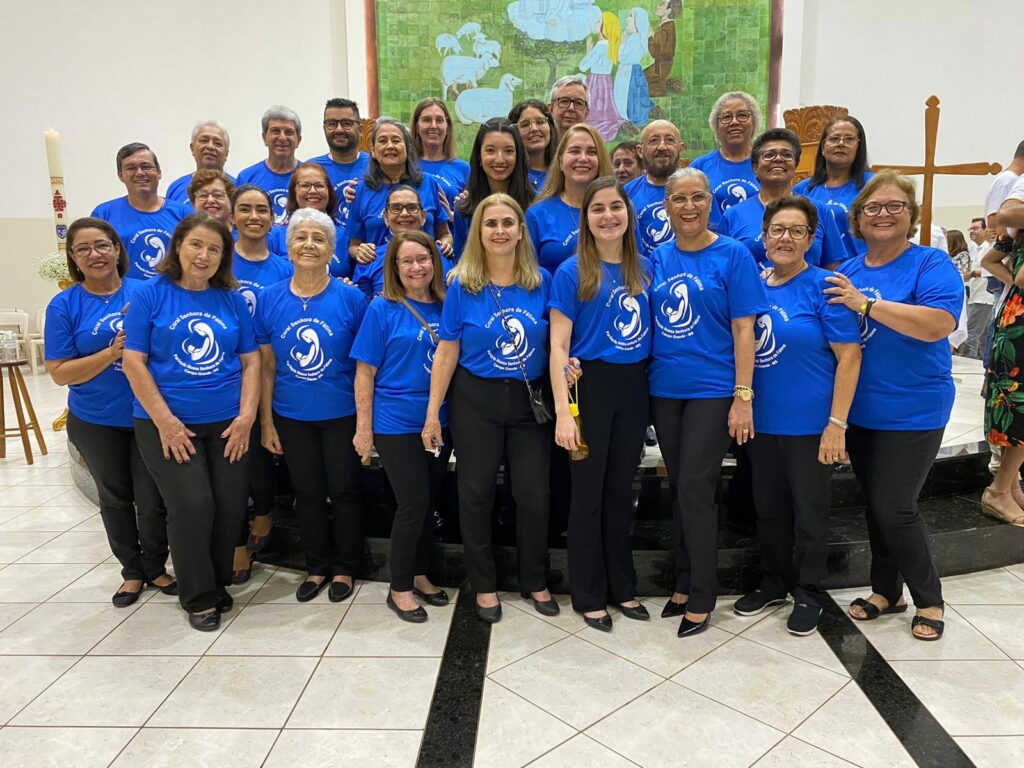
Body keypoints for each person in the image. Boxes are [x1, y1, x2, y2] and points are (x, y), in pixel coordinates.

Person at [825, 171, 962, 641]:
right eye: (872, 208)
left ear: (911, 215)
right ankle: (886, 591)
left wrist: (866, 306)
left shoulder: (929, 263)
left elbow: (937, 324)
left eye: (894, 206)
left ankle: (930, 599)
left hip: (915, 407)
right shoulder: (848, 270)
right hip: (863, 410)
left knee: (895, 506)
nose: (882, 214)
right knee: (876, 504)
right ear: (858, 219)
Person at [122, 213, 260, 632]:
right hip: (166, 423)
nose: (204, 255)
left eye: (215, 249)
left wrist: (246, 417)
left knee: (230, 507)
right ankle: (197, 596)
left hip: (227, 424)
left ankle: (216, 584)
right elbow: (133, 362)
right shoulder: (150, 295)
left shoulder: (232, 298)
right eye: (196, 245)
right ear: (178, 246)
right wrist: (165, 421)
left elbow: (251, 361)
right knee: (192, 506)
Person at [423, 193, 557, 623]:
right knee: (475, 493)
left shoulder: (543, 280)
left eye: (507, 222)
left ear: (521, 230)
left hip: (528, 401)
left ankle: (533, 579)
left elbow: (558, 344)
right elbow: (446, 351)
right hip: (474, 400)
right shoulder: (462, 284)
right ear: (478, 232)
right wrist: (432, 413)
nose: (499, 230)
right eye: (490, 223)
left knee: (533, 494)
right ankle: (483, 584)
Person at [648, 167, 768, 637]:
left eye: (698, 197)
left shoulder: (733, 254)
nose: (689, 206)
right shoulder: (658, 257)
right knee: (680, 484)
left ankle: (703, 592)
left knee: (697, 485)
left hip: (713, 389)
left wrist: (743, 395)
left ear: (711, 203)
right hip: (665, 387)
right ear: (667, 207)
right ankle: (681, 580)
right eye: (679, 199)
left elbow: (745, 330)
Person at [736, 197, 861, 636]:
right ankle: (772, 581)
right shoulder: (752, 283)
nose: (785, 238)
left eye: (796, 231)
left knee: (809, 513)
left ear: (811, 238)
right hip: (760, 422)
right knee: (769, 510)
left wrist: (837, 424)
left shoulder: (825, 285)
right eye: (777, 229)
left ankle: (808, 590)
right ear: (764, 235)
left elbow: (849, 358)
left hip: (810, 426)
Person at [45, 218, 175, 607]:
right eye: (83, 249)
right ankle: (132, 572)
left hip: (147, 415)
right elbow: (59, 372)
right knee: (115, 497)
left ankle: (155, 565)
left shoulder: (147, 291)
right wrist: (110, 354)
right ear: (73, 258)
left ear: (117, 249)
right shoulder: (65, 304)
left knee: (152, 498)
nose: (94, 255)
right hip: (96, 419)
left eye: (101, 245)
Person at [549, 177, 651, 631]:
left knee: (619, 494)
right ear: (585, 219)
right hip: (589, 387)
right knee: (587, 496)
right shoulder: (572, 271)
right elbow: (558, 347)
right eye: (598, 210)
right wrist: (563, 412)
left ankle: (622, 587)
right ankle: (588, 593)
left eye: (616, 207)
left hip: (634, 389)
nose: (608, 216)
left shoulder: (644, 268)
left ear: (628, 215)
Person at [255, 208, 368, 603]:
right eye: (301, 238)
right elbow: (267, 367)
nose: (309, 245)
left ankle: (345, 568)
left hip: (342, 415)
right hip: (291, 415)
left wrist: (364, 424)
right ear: (288, 248)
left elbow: (364, 367)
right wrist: (267, 423)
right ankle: (317, 566)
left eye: (319, 239)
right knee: (307, 493)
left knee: (345, 491)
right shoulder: (269, 299)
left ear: (332, 250)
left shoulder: (353, 299)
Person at [351, 230, 452, 622]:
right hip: (396, 423)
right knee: (412, 504)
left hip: (439, 422)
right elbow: (365, 373)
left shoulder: (446, 306)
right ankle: (400, 587)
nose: (416, 267)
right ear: (394, 267)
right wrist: (364, 428)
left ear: (434, 262)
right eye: (406, 261)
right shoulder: (383, 308)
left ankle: (421, 572)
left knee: (428, 503)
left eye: (423, 259)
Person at [229, 185, 293, 581]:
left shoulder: (285, 269)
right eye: (245, 209)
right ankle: (236, 543)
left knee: (258, 459)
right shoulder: (220, 265)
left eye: (262, 210)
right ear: (232, 216)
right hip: (226, 377)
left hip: (270, 376)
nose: (254, 216)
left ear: (273, 219)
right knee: (233, 467)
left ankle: (266, 511)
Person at [720, 128, 846, 271]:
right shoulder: (732, 216)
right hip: (752, 292)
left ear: (795, 165)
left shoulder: (820, 211)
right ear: (755, 168)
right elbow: (723, 269)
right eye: (769, 155)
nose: (778, 159)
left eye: (787, 155)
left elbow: (833, 270)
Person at [346, 118, 453, 268]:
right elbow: (353, 245)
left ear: (408, 148)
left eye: (396, 141)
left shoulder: (428, 183)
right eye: (382, 141)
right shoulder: (360, 190)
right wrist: (359, 251)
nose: (390, 146)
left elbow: (445, 234)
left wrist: (446, 244)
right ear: (373, 150)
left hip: (424, 271)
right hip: (380, 273)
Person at [91, 142, 188, 281]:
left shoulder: (183, 213)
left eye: (146, 166)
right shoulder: (104, 214)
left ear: (159, 172)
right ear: (120, 175)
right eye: (131, 168)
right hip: (123, 298)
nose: (140, 173)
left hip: (172, 297)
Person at [526, 124, 613, 274]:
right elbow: (526, 276)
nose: (583, 158)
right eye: (574, 151)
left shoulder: (620, 210)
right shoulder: (536, 215)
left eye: (592, 152)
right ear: (560, 161)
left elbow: (636, 265)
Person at [352, 185, 453, 300]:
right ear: (386, 217)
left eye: (412, 207)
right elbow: (363, 310)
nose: (404, 213)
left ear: (423, 216)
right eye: (396, 208)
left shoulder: (443, 255)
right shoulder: (369, 259)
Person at [452, 118, 535, 258]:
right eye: (490, 150)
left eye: (508, 151)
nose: (500, 159)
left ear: (518, 156)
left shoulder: (536, 206)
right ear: (479, 155)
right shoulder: (464, 210)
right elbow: (461, 264)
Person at [793, 116, 874, 258]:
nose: (841, 144)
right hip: (813, 273)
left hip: (857, 271)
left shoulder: (873, 185)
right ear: (823, 147)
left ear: (858, 147)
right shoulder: (802, 189)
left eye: (849, 139)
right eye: (834, 138)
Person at [626, 120, 700, 258]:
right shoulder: (625, 195)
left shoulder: (699, 192)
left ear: (680, 148)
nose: (662, 147)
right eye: (653, 141)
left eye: (670, 140)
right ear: (640, 151)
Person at [267, 162, 350, 277]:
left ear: (329, 192)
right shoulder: (276, 236)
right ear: (293, 192)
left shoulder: (345, 236)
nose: (312, 191)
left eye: (319, 185)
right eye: (305, 185)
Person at [690, 91, 760, 217]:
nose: (734, 122)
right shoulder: (699, 167)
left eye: (742, 115)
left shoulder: (766, 162)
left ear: (754, 123)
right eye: (726, 117)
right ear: (716, 126)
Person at [235, 106, 303, 224]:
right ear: (264, 137)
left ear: (298, 140)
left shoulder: (309, 176)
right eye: (275, 131)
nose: (282, 137)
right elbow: (236, 222)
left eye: (289, 132)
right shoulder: (246, 177)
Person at [309, 98, 370, 223]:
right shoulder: (311, 169)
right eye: (332, 124)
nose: (339, 130)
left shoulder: (376, 165)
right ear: (324, 128)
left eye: (346, 123)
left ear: (360, 129)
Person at [577, 12, 627, 141]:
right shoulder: (612, 45)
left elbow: (583, 65)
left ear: (605, 27)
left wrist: (588, 50)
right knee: (604, 104)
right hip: (607, 79)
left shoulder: (600, 46)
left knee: (595, 104)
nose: (595, 24)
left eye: (598, 22)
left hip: (595, 80)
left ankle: (596, 127)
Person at [413, 98, 471, 197]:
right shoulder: (406, 167)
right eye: (426, 120)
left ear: (447, 127)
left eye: (439, 120)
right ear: (417, 126)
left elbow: (471, 210)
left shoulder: (464, 169)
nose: (433, 126)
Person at [166, 121, 233, 205]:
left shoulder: (237, 187)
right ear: (192, 148)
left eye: (217, 143)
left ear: (226, 154)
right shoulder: (176, 188)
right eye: (204, 140)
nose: (210, 146)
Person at [614, 8, 656, 124]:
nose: (627, 19)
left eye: (631, 16)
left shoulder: (635, 39)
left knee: (630, 95)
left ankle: (630, 115)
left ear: (638, 21)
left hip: (630, 72)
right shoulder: (634, 38)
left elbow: (621, 57)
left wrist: (622, 43)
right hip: (629, 70)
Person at [963, 217, 994, 360]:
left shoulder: (990, 248)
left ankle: (969, 367)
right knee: (982, 336)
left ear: (985, 229)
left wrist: (973, 274)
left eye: (976, 228)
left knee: (972, 335)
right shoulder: (973, 248)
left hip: (984, 296)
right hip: (974, 295)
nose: (972, 232)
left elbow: (992, 270)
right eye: (971, 229)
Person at [509, 99, 556, 190]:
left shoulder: (563, 172)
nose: (534, 129)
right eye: (525, 124)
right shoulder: (506, 173)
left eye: (540, 121)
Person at [644, 0, 682, 97]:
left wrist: (649, 36)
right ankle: (666, 83)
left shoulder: (665, 29)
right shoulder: (666, 26)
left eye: (662, 4)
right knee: (639, 77)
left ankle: (661, 87)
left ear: (669, 11)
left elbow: (656, 53)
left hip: (661, 68)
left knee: (638, 84)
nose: (658, 6)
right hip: (661, 66)